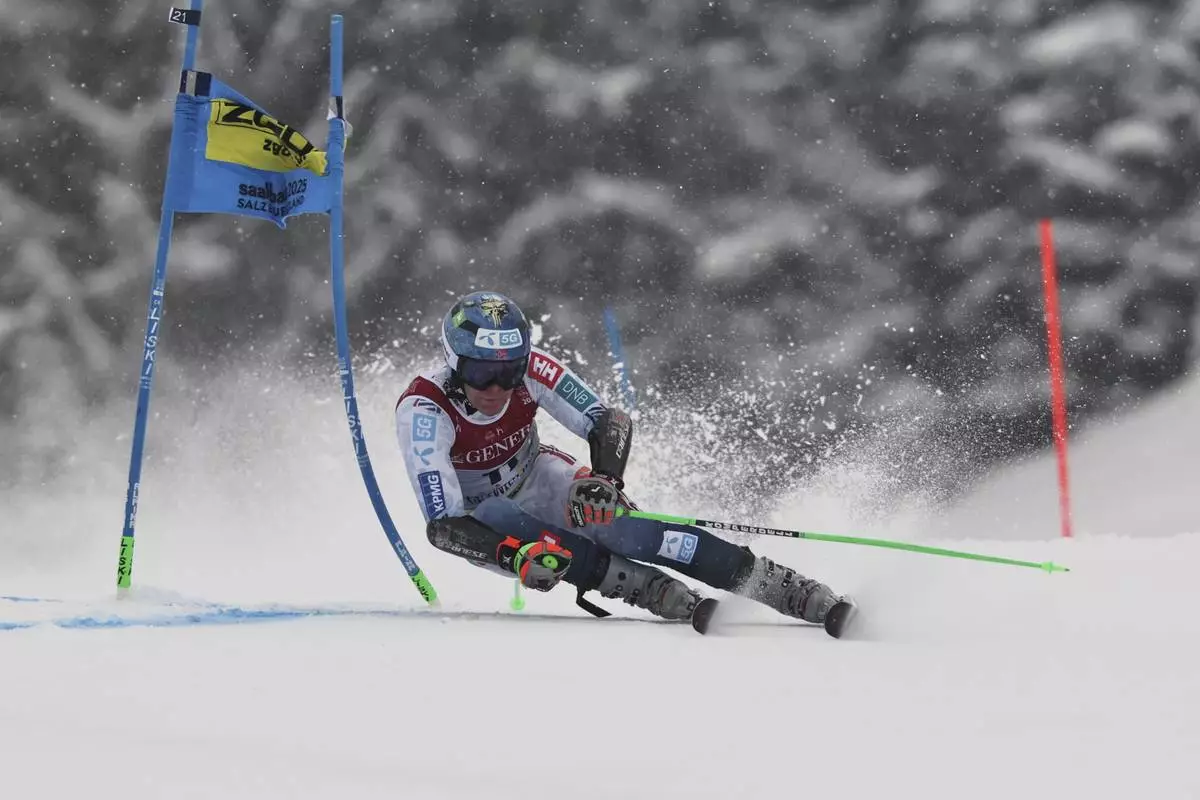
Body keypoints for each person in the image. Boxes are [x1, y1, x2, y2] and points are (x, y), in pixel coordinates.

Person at [394, 290, 845, 626]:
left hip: (536, 474)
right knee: (506, 518)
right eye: (480, 373)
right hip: (483, 524)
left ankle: (774, 583)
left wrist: (605, 479)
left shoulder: (533, 369)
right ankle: (642, 588)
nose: (496, 388)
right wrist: (512, 557)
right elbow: (444, 526)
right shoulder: (425, 410)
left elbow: (609, 421)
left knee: (627, 531)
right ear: (454, 362)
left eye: (508, 372)